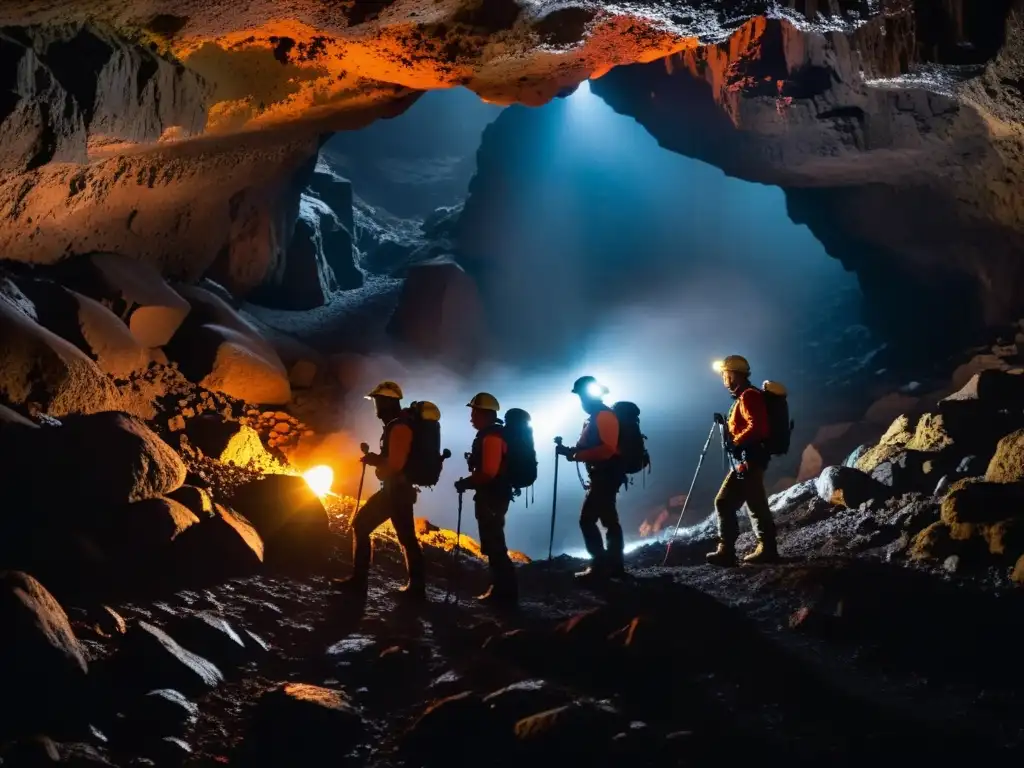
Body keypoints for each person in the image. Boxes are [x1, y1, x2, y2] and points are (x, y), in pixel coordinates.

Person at [338, 380, 426, 598]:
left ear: (387, 402)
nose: (375, 406)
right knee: (407, 538)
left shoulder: (399, 427)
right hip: (400, 491)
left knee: (360, 525)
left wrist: (376, 461)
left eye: (377, 401)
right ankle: (417, 588)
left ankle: (359, 582)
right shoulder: (398, 425)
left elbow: (395, 464)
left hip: (394, 492)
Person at [706, 355, 778, 566]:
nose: (723, 378)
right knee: (749, 502)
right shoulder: (743, 397)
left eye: (725, 374)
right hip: (748, 458)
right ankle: (759, 548)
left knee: (728, 501)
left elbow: (758, 427)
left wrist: (736, 440)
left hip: (750, 459)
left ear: (733, 375)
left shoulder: (748, 396)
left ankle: (742, 550)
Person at [557, 375, 625, 580]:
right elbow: (590, 447)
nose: (581, 401)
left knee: (587, 519)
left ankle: (600, 565)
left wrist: (576, 455)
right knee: (609, 520)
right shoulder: (595, 417)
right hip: (604, 474)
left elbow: (607, 450)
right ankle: (614, 565)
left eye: (582, 396)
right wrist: (570, 452)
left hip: (606, 475)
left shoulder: (603, 416)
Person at [454, 393, 518, 606]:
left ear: (485, 414)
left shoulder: (491, 437)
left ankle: (504, 593)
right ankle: (503, 591)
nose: (471, 417)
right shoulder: (490, 434)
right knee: (493, 541)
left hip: (493, 495)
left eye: (474, 412)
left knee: (494, 543)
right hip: (494, 494)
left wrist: (466, 483)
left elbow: (489, 472)